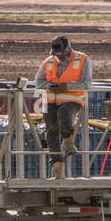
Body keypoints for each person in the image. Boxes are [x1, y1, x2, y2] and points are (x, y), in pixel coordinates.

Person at [35, 36, 92, 178]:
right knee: (51, 130)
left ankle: (68, 141)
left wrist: (66, 87)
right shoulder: (48, 61)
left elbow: (87, 84)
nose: (58, 57)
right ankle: (57, 164)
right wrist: (51, 86)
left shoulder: (83, 59)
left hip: (72, 100)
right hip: (50, 100)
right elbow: (38, 82)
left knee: (64, 113)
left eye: (60, 53)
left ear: (68, 48)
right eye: (56, 54)